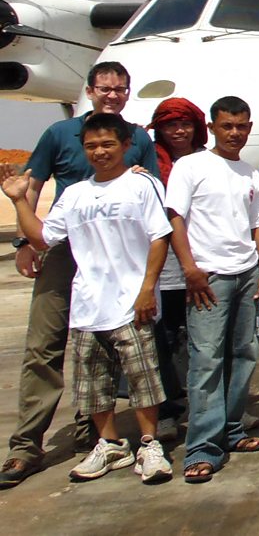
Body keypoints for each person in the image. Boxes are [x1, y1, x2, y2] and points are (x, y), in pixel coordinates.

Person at [0, 61, 159, 490]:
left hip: (114, 255)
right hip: (63, 247)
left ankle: (96, 434)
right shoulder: (59, 134)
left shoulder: (137, 137)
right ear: (89, 91)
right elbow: (31, 185)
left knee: (109, 343)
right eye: (105, 88)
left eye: (120, 89)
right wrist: (26, 242)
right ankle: (26, 446)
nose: (112, 95)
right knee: (44, 344)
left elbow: (151, 189)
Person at [166, 96, 259, 483]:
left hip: (246, 274)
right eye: (227, 126)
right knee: (207, 359)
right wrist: (190, 269)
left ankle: (231, 429)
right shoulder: (190, 166)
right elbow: (174, 218)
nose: (235, 133)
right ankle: (202, 447)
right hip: (209, 278)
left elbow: (258, 225)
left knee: (244, 353)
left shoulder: (250, 174)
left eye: (242, 126)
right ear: (211, 128)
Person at [146, 97, 208, 441]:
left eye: (185, 124)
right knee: (164, 341)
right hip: (165, 268)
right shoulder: (147, 166)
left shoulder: (209, 162)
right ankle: (167, 410)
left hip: (203, 264)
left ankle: (211, 407)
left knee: (206, 340)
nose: (179, 131)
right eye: (171, 125)